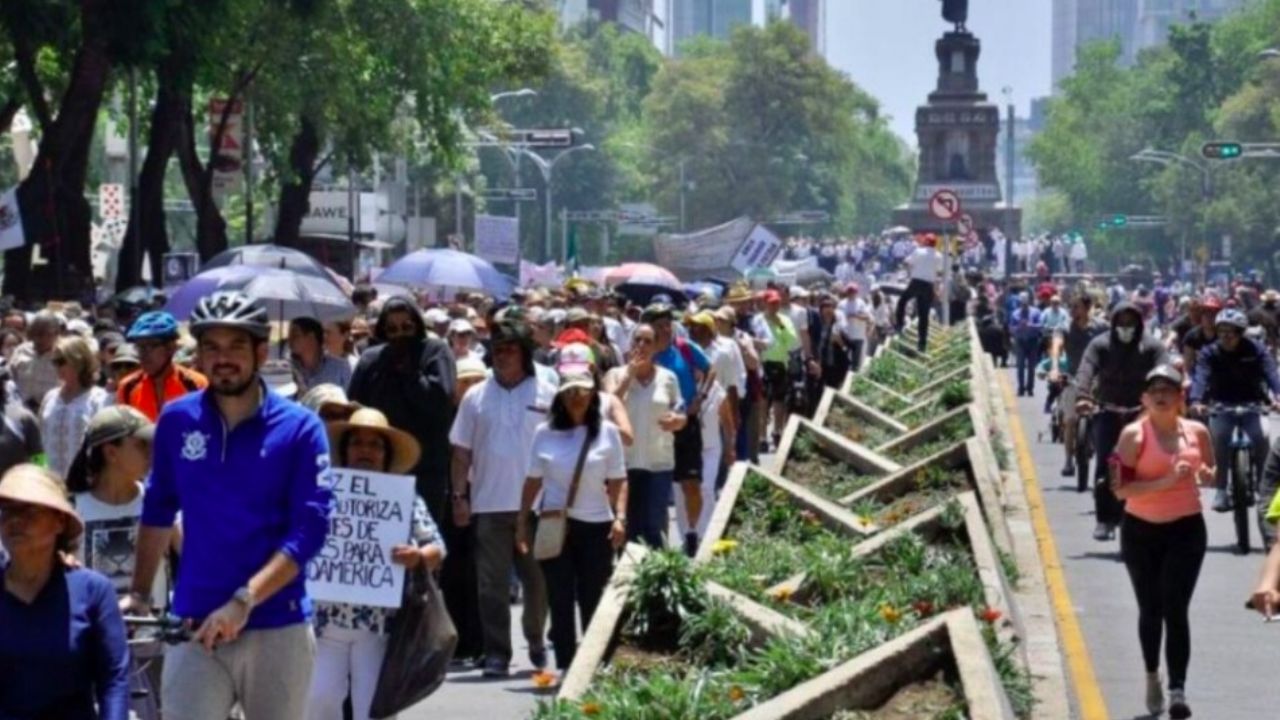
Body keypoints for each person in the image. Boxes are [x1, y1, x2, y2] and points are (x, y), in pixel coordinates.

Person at [124, 291, 334, 720]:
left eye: (236, 346)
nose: (223, 358)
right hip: (194, 620)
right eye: (211, 347)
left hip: (278, 624)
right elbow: (159, 508)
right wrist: (139, 593)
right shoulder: (176, 420)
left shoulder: (301, 428)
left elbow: (311, 529)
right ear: (198, 355)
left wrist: (245, 599)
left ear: (261, 352)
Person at [306, 408, 445, 720]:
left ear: (386, 454)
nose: (365, 451)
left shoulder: (404, 497)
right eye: (357, 443)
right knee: (318, 701)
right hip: (325, 622)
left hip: (379, 628)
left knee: (373, 709)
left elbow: (437, 546)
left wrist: (418, 557)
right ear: (345, 450)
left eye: (375, 445)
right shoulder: (322, 490)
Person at [448, 319, 554, 677]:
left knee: (537, 582)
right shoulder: (476, 396)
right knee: (490, 584)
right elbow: (461, 452)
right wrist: (459, 496)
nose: (502, 355)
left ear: (524, 352)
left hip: (536, 505)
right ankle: (497, 653)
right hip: (489, 504)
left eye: (510, 349)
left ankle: (535, 637)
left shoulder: (548, 389)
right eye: (497, 350)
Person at [1110, 366, 1213, 720]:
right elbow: (1120, 489)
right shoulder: (1132, 436)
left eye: (1168, 390)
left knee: (1176, 608)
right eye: (1154, 390)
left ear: (1180, 397)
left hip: (1187, 529)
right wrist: (1166, 481)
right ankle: (1153, 674)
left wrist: (1206, 475)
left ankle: (1178, 689)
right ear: (1144, 398)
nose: (1161, 395)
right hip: (1141, 531)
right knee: (1151, 609)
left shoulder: (1197, 432)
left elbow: (1211, 471)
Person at [516, 368, 628, 671]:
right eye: (570, 392)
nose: (576, 398)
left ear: (592, 395)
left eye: (582, 391)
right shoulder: (545, 432)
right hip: (555, 524)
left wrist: (620, 517)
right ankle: (566, 664)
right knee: (560, 596)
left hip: (596, 524)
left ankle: (593, 663)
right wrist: (521, 522)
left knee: (593, 595)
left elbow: (618, 478)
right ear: (560, 398)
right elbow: (532, 481)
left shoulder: (608, 432)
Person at [0, 464, 130, 719]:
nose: (15, 520)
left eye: (29, 511)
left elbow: (113, 679)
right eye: (6, 510)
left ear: (59, 522)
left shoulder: (93, 591)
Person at [349, 297, 456, 523]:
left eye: (406, 327)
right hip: (379, 470)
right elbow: (354, 409)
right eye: (392, 329)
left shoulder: (436, 352)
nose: (400, 334)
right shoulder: (372, 360)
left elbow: (440, 402)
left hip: (425, 471)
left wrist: (409, 373)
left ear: (417, 325)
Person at [1076, 302, 1170, 541]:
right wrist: (1083, 396)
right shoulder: (1100, 345)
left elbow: (1164, 372)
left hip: (1142, 412)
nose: (1126, 327)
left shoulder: (1152, 346)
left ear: (1139, 323)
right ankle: (1104, 519)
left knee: (1151, 463)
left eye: (1131, 322)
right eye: (1121, 322)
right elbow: (1086, 369)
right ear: (1113, 322)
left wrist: (1162, 397)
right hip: (1108, 409)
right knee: (1106, 462)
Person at [65, 406, 168, 604]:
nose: (151, 453)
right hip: (92, 623)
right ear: (111, 453)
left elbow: (195, 555)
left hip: (152, 623)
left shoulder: (160, 501)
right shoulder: (71, 510)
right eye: (141, 445)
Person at [1188, 308, 1280, 515]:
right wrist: (1196, 400)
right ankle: (1221, 489)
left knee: (1262, 436)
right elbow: (1201, 377)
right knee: (1220, 437)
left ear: (1241, 332)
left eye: (1231, 331)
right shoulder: (1209, 353)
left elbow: (1271, 373)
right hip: (1221, 405)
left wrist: (1278, 395)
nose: (1226, 336)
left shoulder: (1256, 350)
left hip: (1253, 404)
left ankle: (1263, 487)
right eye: (1221, 331)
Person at [605, 324, 686, 549]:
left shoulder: (668, 378)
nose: (641, 345)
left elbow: (680, 410)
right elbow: (607, 408)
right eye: (637, 340)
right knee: (626, 526)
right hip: (623, 464)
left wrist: (678, 420)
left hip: (658, 462)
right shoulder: (615, 375)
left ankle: (654, 569)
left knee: (654, 526)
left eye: (648, 341)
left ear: (656, 346)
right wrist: (628, 376)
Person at [642, 303, 711, 556]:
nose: (665, 330)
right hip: (656, 428)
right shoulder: (644, 355)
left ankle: (692, 532)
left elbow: (709, 369)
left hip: (687, 425)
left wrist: (700, 397)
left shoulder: (684, 348)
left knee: (691, 483)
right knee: (657, 486)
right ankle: (657, 542)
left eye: (667, 324)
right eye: (659, 326)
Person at [1048, 294, 1108, 479]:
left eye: (1076, 307)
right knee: (1070, 420)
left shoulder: (1102, 327)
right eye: (1071, 307)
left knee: (1106, 420)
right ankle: (1068, 461)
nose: (1072, 311)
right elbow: (1056, 346)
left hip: (1098, 381)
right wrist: (1054, 368)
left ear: (1087, 308)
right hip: (1074, 379)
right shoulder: (1064, 327)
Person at [117, 310, 208, 422]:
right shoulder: (127, 387)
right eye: (140, 347)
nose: (144, 354)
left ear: (171, 348)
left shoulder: (196, 384)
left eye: (151, 346)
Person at [40, 337, 110, 479]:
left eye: (61, 362)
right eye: (54, 362)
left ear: (78, 361)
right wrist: (40, 472)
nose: (57, 367)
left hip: (84, 482)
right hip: (50, 482)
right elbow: (40, 442)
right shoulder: (50, 397)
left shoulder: (98, 399)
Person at [752, 290, 799, 452]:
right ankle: (762, 437)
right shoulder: (757, 320)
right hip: (763, 363)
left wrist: (780, 325)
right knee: (763, 401)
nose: (775, 306)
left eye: (777, 303)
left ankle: (777, 431)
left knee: (779, 400)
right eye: (771, 303)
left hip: (780, 363)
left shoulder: (785, 320)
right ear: (765, 303)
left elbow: (792, 341)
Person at [895, 234, 942, 352]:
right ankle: (922, 343)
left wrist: (911, 270)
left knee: (902, 301)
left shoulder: (918, 251)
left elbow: (906, 262)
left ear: (925, 242)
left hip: (916, 282)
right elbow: (938, 273)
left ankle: (899, 325)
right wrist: (935, 290)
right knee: (923, 315)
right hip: (928, 285)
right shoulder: (938, 255)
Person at [10, 310, 62, 412]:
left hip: (49, 411)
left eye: (43, 334)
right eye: (34, 334)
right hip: (21, 410)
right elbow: (11, 379)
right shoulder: (21, 350)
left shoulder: (63, 355)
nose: (38, 339)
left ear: (56, 334)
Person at [289, 316, 352, 392]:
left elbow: (351, 397)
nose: (290, 340)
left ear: (311, 337)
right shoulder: (287, 368)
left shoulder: (340, 368)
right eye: (290, 335)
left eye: (295, 335)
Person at [1010, 294, 1044, 398]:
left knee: (1031, 366)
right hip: (1020, 341)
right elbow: (1011, 328)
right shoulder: (1015, 313)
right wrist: (1019, 327)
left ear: (1028, 302)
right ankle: (1021, 388)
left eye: (1025, 303)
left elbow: (1041, 326)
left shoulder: (1036, 312)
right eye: (1022, 303)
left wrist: (1031, 325)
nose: (1024, 305)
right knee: (1020, 366)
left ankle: (1030, 388)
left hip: (1032, 341)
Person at [838, 284, 871, 372]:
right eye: (849, 291)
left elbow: (867, 317)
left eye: (853, 292)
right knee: (844, 359)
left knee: (856, 362)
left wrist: (855, 316)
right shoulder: (842, 304)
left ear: (856, 292)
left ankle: (853, 376)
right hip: (846, 336)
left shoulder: (861, 303)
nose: (851, 293)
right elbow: (838, 318)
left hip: (858, 336)